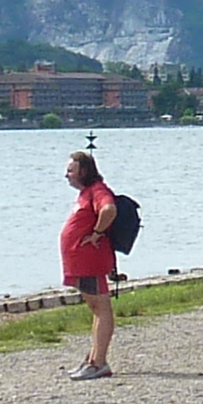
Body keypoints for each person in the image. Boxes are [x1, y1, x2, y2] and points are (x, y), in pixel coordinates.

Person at [59, 150, 122, 381]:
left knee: (101, 309)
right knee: (97, 309)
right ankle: (93, 358)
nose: (67, 175)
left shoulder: (98, 191)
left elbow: (109, 209)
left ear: (83, 171)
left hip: (90, 261)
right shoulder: (87, 193)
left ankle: (99, 362)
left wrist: (96, 234)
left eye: (70, 171)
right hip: (81, 262)